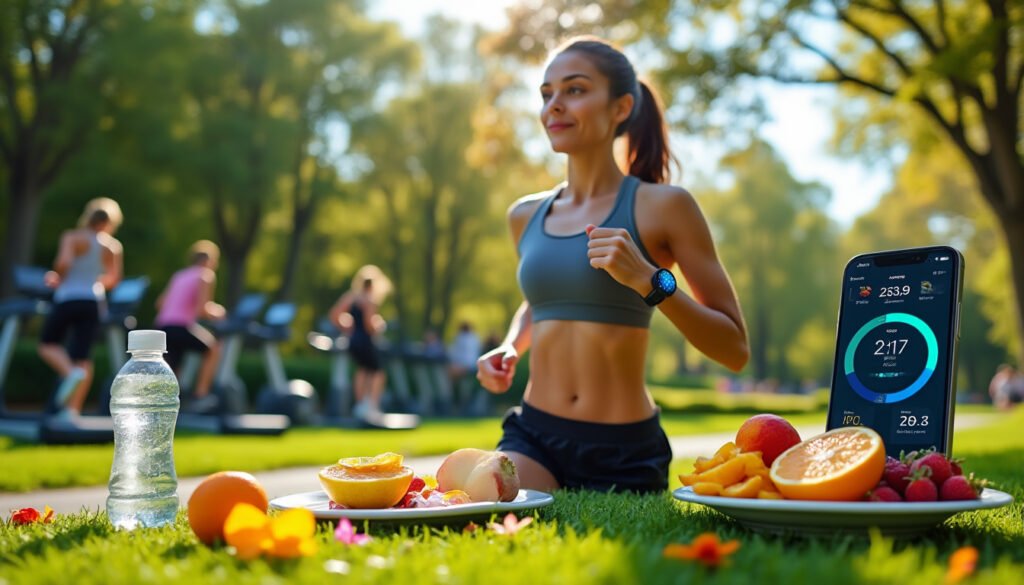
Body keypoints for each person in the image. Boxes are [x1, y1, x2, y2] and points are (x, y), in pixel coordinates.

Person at [476, 37, 749, 493]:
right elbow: (540, 300)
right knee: (492, 511)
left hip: (623, 450)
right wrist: (510, 346)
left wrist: (649, 281)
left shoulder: (665, 207)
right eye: (547, 94)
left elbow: (734, 350)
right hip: (533, 436)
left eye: (575, 90)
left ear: (621, 107)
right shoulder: (524, 216)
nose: (554, 107)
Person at [38, 197, 124, 418]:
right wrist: (94, 280)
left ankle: (69, 372)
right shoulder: (112, 246)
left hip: (68, 298)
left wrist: (56, 276)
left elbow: (64, 264)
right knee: (83, 357)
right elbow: (113, 280)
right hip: (93, 302)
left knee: (47, 345)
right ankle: (72, 412)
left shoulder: (72, 237)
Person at [154, 240, 226, 408]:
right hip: (181, 326)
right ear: (209, 261)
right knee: (213, 349)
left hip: (163, 327)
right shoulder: (205, 275)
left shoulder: (179, 275)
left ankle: (168, 402)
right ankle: (201, 394)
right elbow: (203, 309)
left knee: (172, 367)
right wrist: (219, 312)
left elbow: (160, 304)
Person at [329, 265, 392, 419]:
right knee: (377, 373)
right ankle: (372, 405)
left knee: (362, 371)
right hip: (365, 340)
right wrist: (379, 325)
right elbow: (369, 325)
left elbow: (334, 315)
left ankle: (360, 405)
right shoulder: (370, 300)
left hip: (353, 340)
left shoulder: (351, 297)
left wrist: (347, 326)